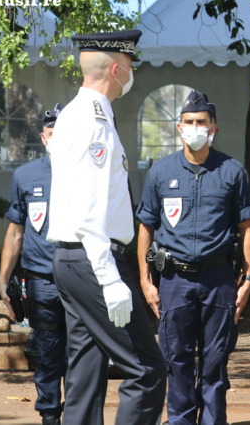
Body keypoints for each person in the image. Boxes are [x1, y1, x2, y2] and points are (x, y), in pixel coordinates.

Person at [46, 30, 166, 425]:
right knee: (146, 371)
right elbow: (89, 205)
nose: (131, 76)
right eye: (129, 67)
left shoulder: (74, 115)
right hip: (94, 259)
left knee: (86, 369)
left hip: (71, 258)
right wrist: (109, 277)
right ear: (116, 69)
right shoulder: (95, 120)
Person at [135, 89, 250, 425]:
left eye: (201, 122)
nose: (195, 127)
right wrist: (146, 281)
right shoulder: (160, 172)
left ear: (213, 128)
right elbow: (146, 228)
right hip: (174, 281)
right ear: (179, 128)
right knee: (176, 360)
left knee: (215, 362)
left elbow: (248, 227)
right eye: (188, 121)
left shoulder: (233, 172)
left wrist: (248, 279)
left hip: (219, 280)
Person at [0, 105, 67, 425]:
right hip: (41, 281)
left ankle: (80, 415)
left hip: (81, 278)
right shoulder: (25, 176)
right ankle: (50, 415)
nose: (60, 139)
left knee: (82, 351)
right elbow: (16, 231)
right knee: (48, 349)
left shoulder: (90, 172)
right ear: (44, 138)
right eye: (54, 134)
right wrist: (3, 279)